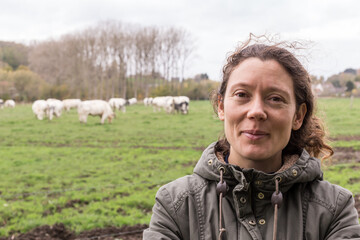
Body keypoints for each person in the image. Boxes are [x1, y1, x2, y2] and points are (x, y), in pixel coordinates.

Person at [143, 35, 360, 239]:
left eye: (275, 98)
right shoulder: (176, 205)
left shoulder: (334, 209)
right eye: (241, 95)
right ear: (221, 107)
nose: (256, 111)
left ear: (298, 116)